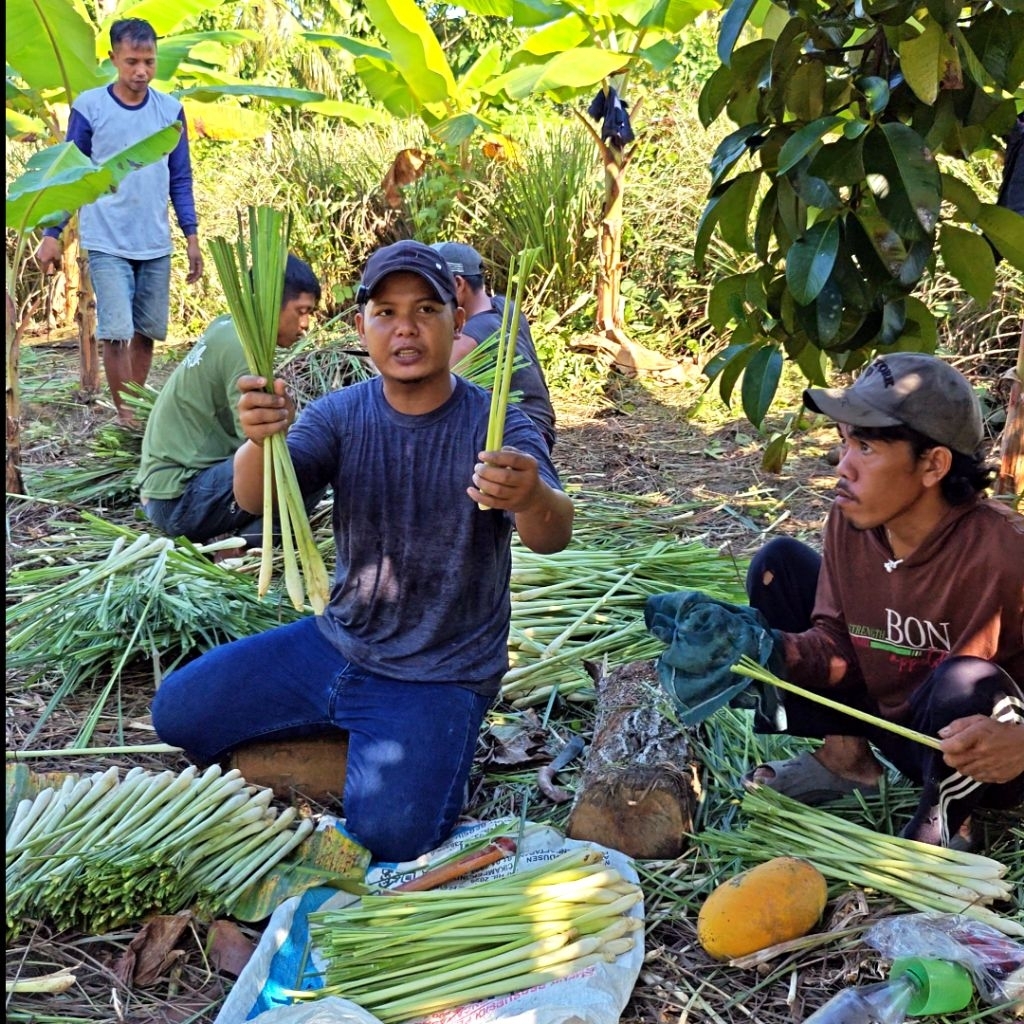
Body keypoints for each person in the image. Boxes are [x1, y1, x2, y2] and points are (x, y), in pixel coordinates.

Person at [151, 240, 574, 862]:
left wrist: (531, 494)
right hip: (338, 641)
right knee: (177, 713)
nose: (406, 328)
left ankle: (411, 750)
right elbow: (256, 497)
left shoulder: (496, 423)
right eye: (386, 312)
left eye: (426, 310)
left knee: (392, 836)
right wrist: (258, 440)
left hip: (439, 672)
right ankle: (358, 737)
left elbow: (552, 534)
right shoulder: (340, 415)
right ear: (361, 327)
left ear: (457, 321)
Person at [737, 353, 1024, 848]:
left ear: (933, 464)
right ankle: (846, 760)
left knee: (964, 678)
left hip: (985, 758)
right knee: (777, 566)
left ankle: (949, 822)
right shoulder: (850, 520)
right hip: (895, 724)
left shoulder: (1008, 551)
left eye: (866, 447)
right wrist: (763, 649)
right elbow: (834, 642)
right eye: (845, 441)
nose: (842, 466)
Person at [34, 18, 203, 426]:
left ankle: (137, 410)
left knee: (147, 330)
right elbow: (69, 174)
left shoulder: (170, 110)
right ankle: (126, 415)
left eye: (149, 61)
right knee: (116, 330)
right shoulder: (90, 107)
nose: (141, 71)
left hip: (155, 242)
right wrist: (52, 233)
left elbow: (180, 179)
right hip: (106, 239)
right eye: (132, 62)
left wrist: (192, 236)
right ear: (113, 58)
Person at [135, 254, 321, 547]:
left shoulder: (227, 325)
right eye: (301, 311)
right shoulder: (244, 350)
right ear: (270, 301)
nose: (306, 323)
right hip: (177, 499)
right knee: (314, 462)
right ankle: (242, 548)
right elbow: (260, 447)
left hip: (159, 489)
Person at [431, 242, 556, 450]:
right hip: (540, 429)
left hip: (513, 440)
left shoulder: (468, 340)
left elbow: (431, 396)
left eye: (432, 287)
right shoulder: (505, 307)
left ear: (458, 284)